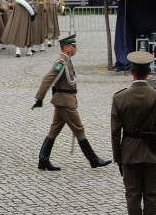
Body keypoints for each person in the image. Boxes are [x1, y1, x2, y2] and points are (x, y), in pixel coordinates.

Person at [111, 51, 156, 215]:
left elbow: (114, 132)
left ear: (132, 72)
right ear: (149, 72)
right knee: (152, 197)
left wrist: (118, 158)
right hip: (154, 154)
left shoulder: (119, 98)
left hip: (129, 154)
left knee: (133, 196)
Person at [32, 34, 111, 170]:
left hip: (64, 100)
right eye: (74, 46)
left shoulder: (67, 60)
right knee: (79, 129)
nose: (76, 49)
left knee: (54, 129)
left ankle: (43, 160)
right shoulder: (61, 62)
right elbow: (47, 79)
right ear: (67, 48)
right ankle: (93, 160)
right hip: (65, 102)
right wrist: (39, 98)